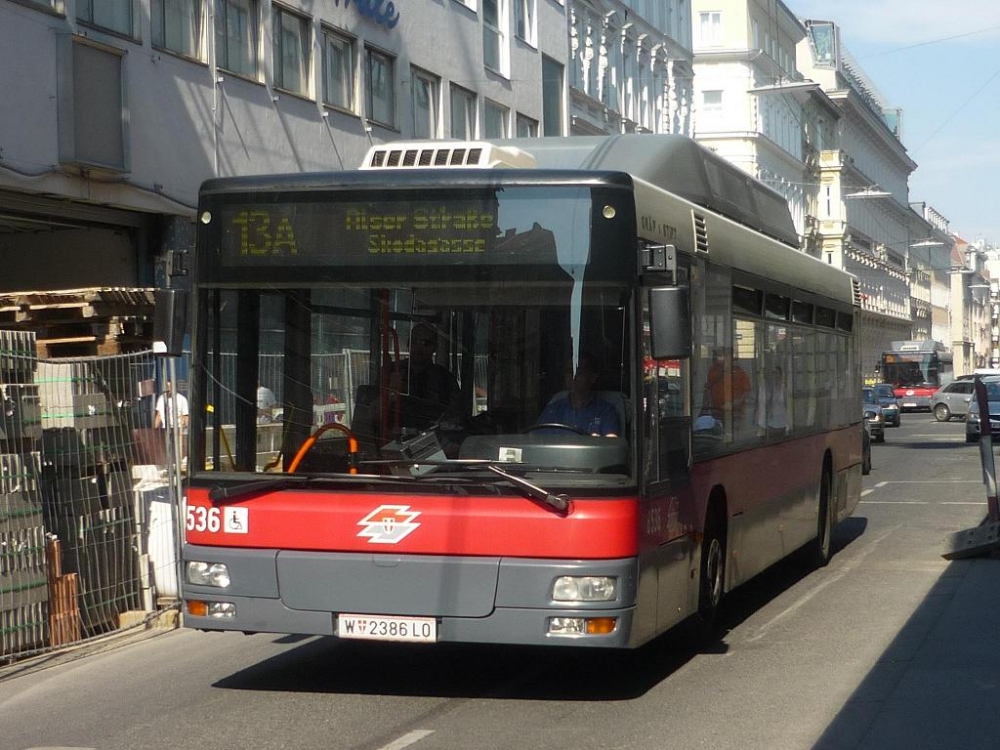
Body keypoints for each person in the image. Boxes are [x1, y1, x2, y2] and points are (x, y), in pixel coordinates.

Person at [387, 322, 463, 433]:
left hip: (433, 443)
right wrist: (390, 391)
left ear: (435, 347)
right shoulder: (391, 372)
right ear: (408, 343)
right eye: (415, 341)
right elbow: (371, 414)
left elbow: (456, 418)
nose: (419, 347)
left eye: (426, 343)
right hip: (392, 440)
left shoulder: (445, 379)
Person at [536, 352, 620, 436]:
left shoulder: (605, 411)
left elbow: (611, 442)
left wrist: (599, 443)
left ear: (592, 377)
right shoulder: (552, 410)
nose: (573, 377)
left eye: (578, 372)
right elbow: (537, 440)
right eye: (569, 371)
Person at [702, 348, 750, 427]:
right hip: (716, 411)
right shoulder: (713, 370)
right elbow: (708, 388)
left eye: (727, 355)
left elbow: (746, 392)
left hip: (735, 412)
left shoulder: (740, 372)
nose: (724, 358)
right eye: (722, 355)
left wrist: (734, 404)